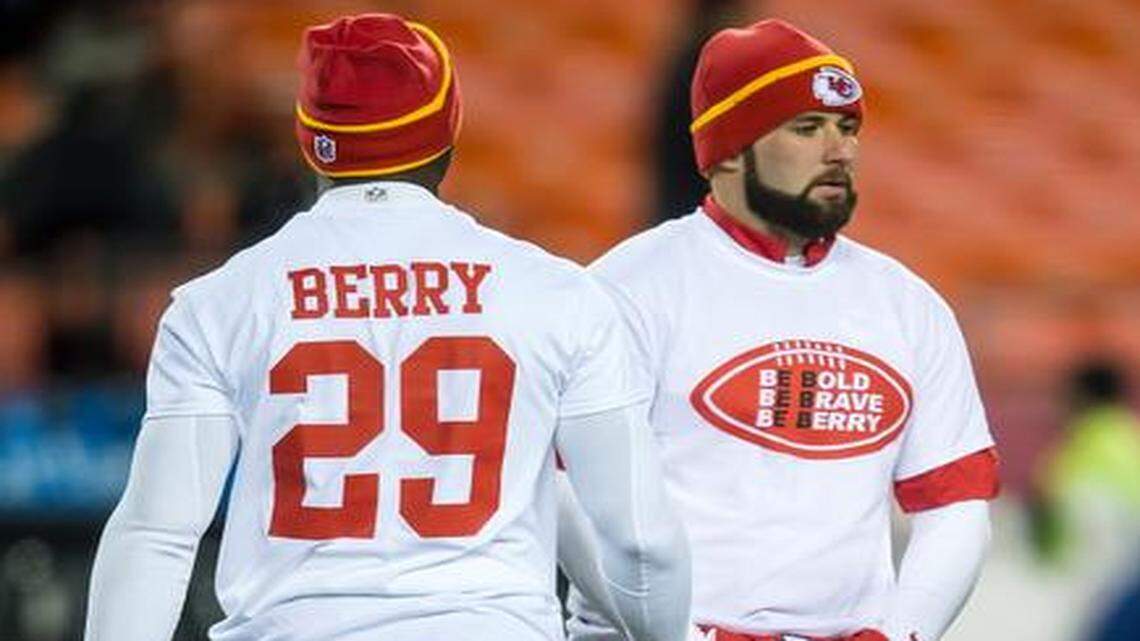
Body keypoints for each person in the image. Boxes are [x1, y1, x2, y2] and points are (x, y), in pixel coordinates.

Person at [84, 14, 691, 641]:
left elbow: (156, 533)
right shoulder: (559, 295)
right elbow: (643, 542)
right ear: (449, 127)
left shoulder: (218, 303)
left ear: (308, 134)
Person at [561, 19, 999, 641]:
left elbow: (954, 505)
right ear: (731, 148)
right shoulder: (626, 289)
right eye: (807, 127)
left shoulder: (907, 304)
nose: (840, 150)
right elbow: (563, 490)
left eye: (848, 128)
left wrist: (902, 634)